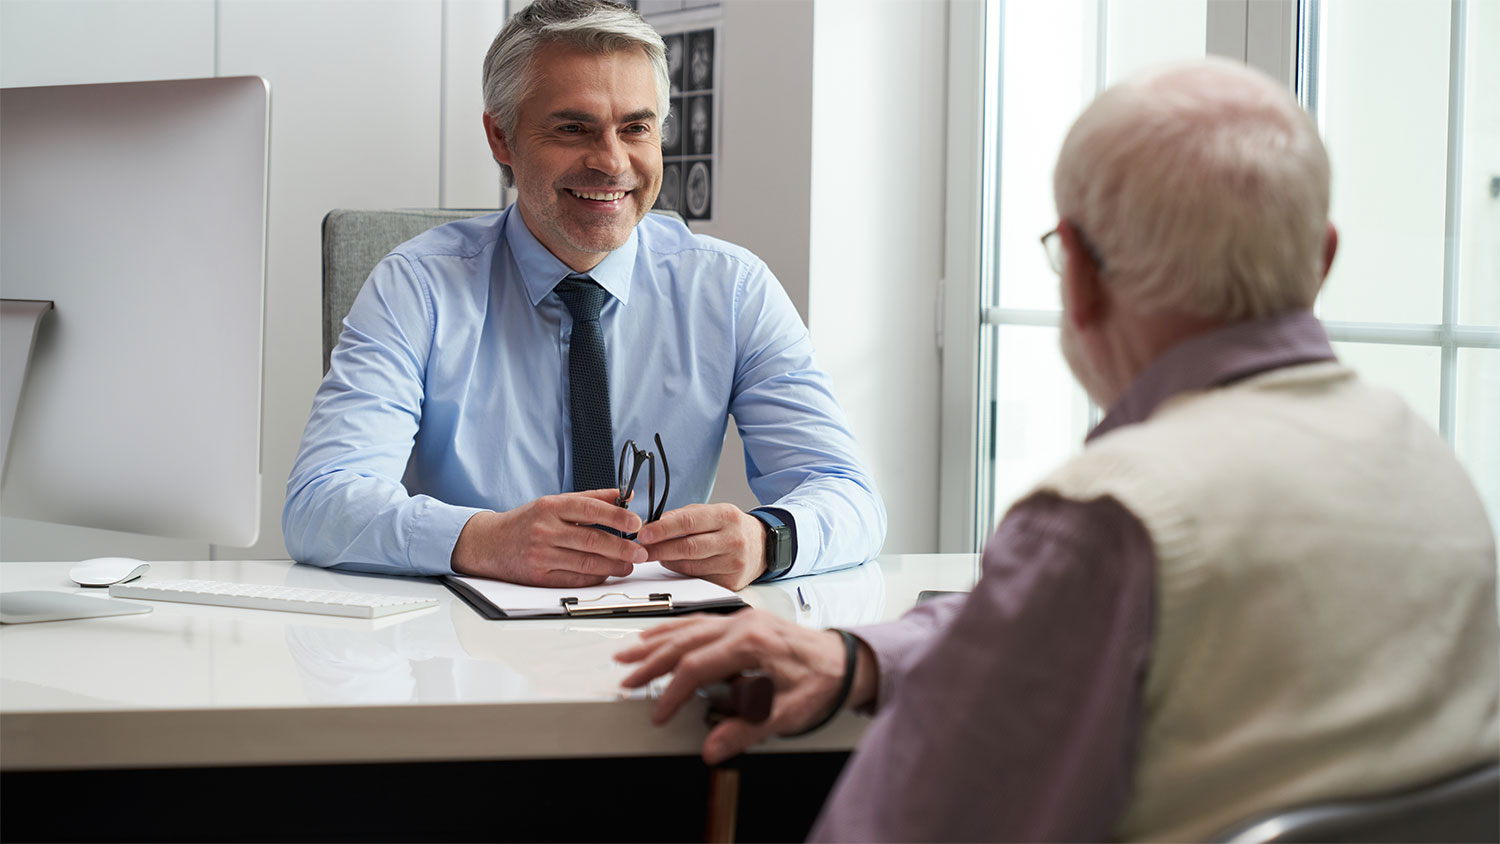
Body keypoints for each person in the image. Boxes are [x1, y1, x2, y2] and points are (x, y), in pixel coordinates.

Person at [616, 57, 1499, 841]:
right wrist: (863, 656)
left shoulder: (1110, 517)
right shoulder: (1426, 460)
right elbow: (1076, 630)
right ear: (1323, 261)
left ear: (1074, 270)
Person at [283, 0, 885, 592]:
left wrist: (766, 539)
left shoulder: (731, 290)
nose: (611, 161)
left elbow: (850, 497)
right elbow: (320, 502)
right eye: (573, 128)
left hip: (665, 641)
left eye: (636, 128)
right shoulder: (417, 286)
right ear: (501, 136)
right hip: (463, 649)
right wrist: (485, 539)